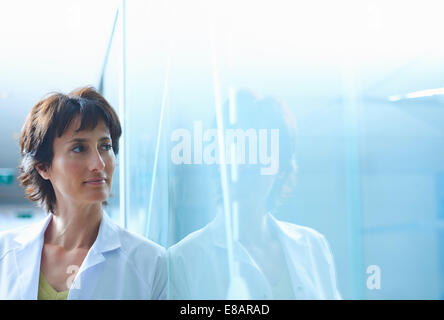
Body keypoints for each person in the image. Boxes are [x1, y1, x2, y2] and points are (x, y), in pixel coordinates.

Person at [168, 89, 341, 299]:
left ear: (281, 167)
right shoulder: (183, 260)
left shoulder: (314, 247)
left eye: (258, 150)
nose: (245, 163)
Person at [0, 87, 167, 300]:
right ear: (43, 166)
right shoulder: (4, 253)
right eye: (79, 148)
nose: (99, 163)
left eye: (105, 146)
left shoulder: (150, 262)